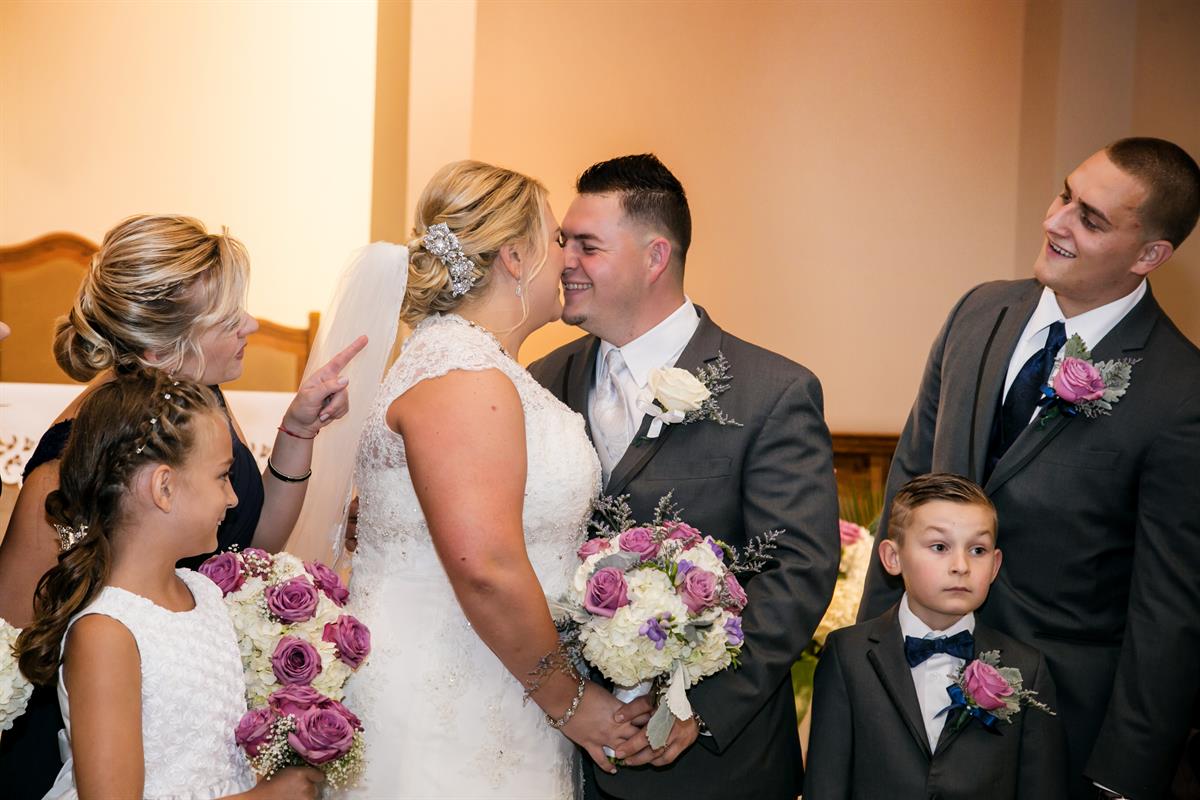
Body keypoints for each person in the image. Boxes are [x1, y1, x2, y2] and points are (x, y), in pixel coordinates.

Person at [858, 137, 1200, 799]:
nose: (1055, 221)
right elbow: (908, 490)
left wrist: (1123, 778)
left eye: (1090, 219)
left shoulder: (1181, 392)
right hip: (915, 691)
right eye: (1065, 195)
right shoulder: (978, 313)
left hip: (1059, 724)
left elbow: (1169, 613)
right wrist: (865, 662)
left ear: (1149, 255)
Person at [0, 214, 364, 798]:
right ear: (160, 349)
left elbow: (244, 545)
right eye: (229, 318)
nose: (251, 324)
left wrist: (298, 431)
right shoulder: (71, 464)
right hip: (96, 734)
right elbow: (15, 652)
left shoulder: (197, 399)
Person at [529, 153, 840, 800]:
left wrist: (697, 708)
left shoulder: (771, 392)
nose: (563, 262)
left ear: (655, 257)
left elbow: (798, 571)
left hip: (711, 769)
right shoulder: (539, 383)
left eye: (587, 245)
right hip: (561, 750)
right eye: (563, 241)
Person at [330, 160, 638, 799]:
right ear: (515, 258)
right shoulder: (464, 375)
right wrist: (569, 700)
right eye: (556, 239)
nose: (569, 259)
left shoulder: (468, 363)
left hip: (498, 683)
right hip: (450, 699)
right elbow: (487, 567)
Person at [13, 369, 323, 799]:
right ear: (164, 487)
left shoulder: (202, 591)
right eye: (222, 476)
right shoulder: (105, 633)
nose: (233, 498)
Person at [805, 473, 1067, 799]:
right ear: (893, 557)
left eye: (978, 549)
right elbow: (825, 784)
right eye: (940, 546)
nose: (961, 566)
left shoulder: (1027, 667)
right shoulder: (847, 655)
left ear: (995, 565)